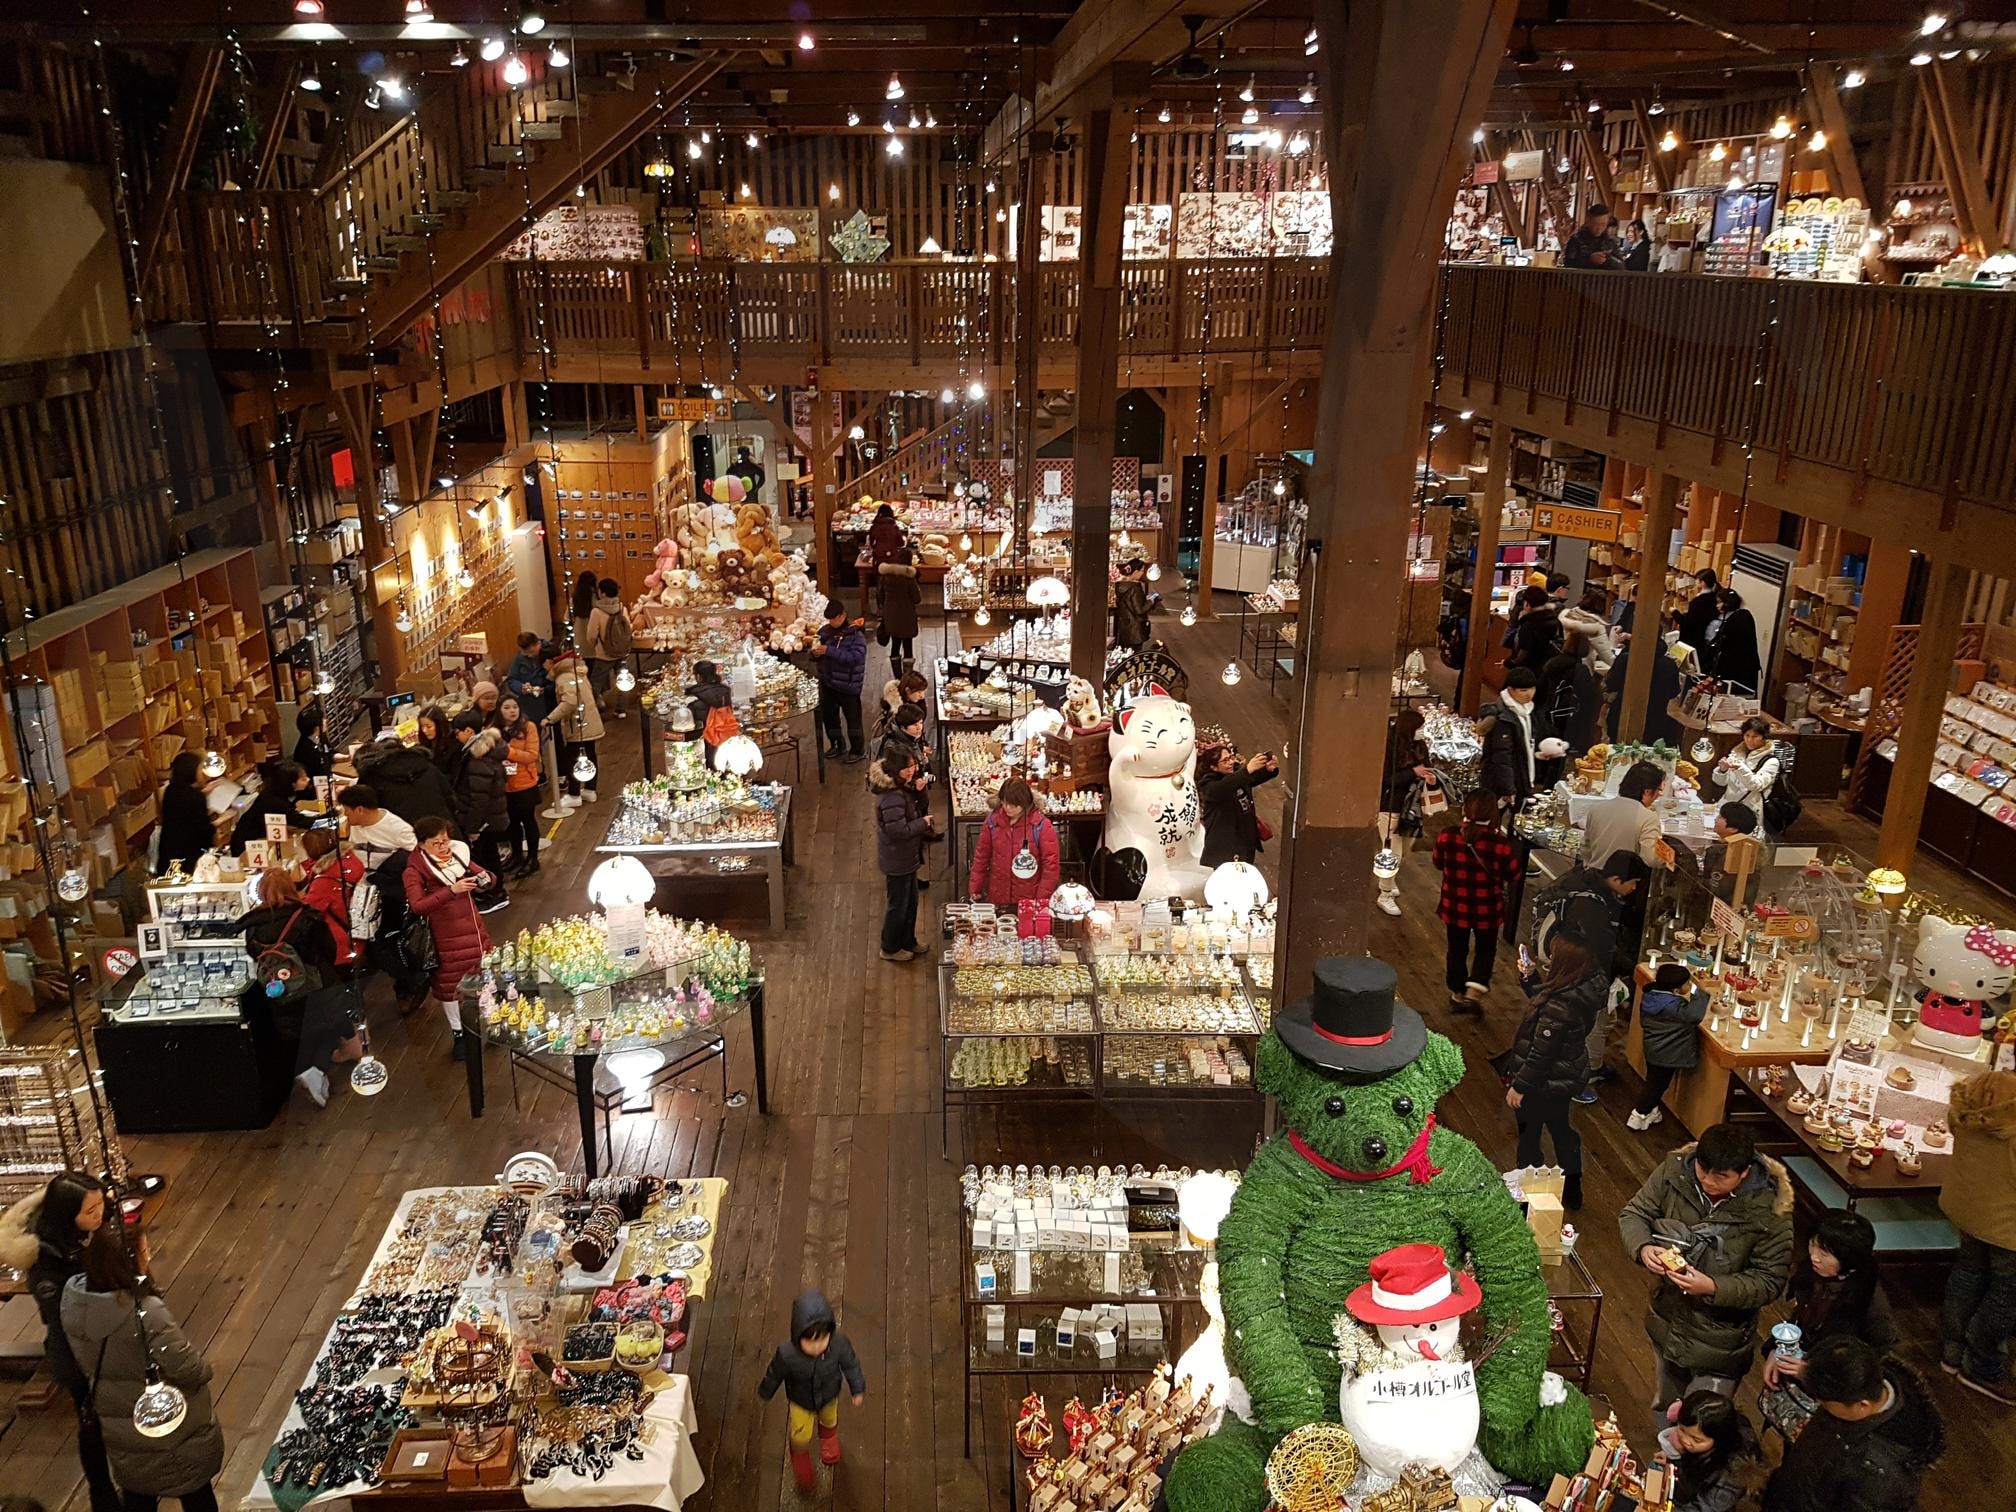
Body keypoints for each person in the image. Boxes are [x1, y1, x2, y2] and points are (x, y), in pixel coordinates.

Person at [1619, 1122, 1795, 1425]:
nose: (1707, 1181)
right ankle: (1666, 1463)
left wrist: (1713, 1286)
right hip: (1668, 1317)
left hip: (1721, 1337)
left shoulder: (1771, 1212)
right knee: (1666, 1406)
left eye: (1721, 1176)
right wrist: (1644, 1247)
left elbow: (1769, 1281)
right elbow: (1635, 1213)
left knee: (1703, 1423)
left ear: (1744, 1173)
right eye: (1702, 1170)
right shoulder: (1675, 1173)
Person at [60, 1228, 224, 1512]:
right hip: (171, 1428)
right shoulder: (146, 1313)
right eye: (145, 1251)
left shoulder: (75, 1303)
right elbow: (189, 1369)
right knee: (197, 1497)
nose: (148, 1257)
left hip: (121, 1427)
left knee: (137, 1497)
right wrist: (205, 1368)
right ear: (129, 1262)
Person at [0, 1172, 121, 1512]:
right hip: (76, 1350)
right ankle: (102, 1494)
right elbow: (65, 1315)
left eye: (101, 1205)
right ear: (67, 1215)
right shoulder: (45, 1258)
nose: (100, 1214)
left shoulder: (86, 1233)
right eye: (91, 1210)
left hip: (106, 1335)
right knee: (92, 1422)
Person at [1762, 1336, 1944, 1512]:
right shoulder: (1858, 1382)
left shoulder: (1881, 1477)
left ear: (1862, 1406)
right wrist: (1805, 1371)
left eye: (1825, 1403)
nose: (1820, 1404)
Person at [238, 867, 360, 1106]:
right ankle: (316, 1069)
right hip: (318, 982)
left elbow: (253, 954)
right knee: (330, 1024)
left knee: (300, 1030)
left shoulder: (252, 926)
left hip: (280, 988)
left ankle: (310, 1070)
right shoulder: (306, 917)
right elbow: (329, 948)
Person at [1503, 929, 1606, 1210]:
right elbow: (1546, 1000)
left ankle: (1528, 1195)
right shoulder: (1582, 987)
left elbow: (1541, 1054)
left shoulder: (1561, 1004)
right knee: (1562, 1131)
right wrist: (1531, 978)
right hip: (1565, 1076)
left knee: (1529, 1137)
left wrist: (1519, 1086)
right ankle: (1573, 1189)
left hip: (1543, 1083)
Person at [1937, 1068, 2016, 1403]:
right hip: (2008, 1223)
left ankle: (1952, 1350)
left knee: (1968, 1272)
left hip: (1969, 1207)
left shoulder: (1977, 1092)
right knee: (2007, 1293)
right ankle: (1981, 1364)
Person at [1762, 1211, 1897, 1398]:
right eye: (1812, 1245)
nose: (1814, 1257)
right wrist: (1776, 1350)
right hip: (1801, 1368)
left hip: (1832, 1394)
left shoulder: (1870, 1306)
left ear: (1851, 1260)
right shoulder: (1812, 1274)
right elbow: (1799, 1319)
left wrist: (1812, 1374)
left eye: (1824, 1253)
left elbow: (1868, 1365)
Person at [757, 1289, 867, 1493]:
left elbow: (851, 1365)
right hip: (801, 1402)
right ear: (798, 1335)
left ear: (830, 1334)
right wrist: (766, 1390)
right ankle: (800, 1455)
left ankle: (828, 1440)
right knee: (800, 1433)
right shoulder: (787, 1354)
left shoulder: (839, 1345)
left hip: (829, 1396)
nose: (817, 1346)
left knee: (829, 1419)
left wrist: (857, 1387)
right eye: (810, 1341)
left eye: (822, 1339)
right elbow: (774, 1374)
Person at [404, 815, 494, 1060]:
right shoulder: (414, 870)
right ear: (421, 844)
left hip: (473, 929)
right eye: (436, 843)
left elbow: (486, 876)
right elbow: (418, 905)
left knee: (484, 974)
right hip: (444, 936)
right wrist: (450, 891)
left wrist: (485, 879)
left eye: (445, 840)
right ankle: (459, 1034)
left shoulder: (457, 856)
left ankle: (491, 1021)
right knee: (450, 985)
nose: (443, 847)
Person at [335, 784, 427, 1013]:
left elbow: (420, 859)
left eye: (347, 811)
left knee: (383, 943)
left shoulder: (397, 828)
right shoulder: (358, 826)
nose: (345, 816)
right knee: (373, 941)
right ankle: (410, 980)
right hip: (367, 891)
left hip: (393, 892)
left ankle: (413, 981)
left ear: (360, 809)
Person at [1432, 790, 1519, 1014]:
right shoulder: (1500, 844)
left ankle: (1457, 992)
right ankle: (1474, 990)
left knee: (1456, 949)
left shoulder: (1447, 836)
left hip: (1454, 906)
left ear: (1465, 810)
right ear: (1493, 814)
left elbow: (1437, 863)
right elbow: (1514, 875)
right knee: (1486, 949)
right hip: (1487, 909)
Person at [872, 749, 938, 961]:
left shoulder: (900, 788)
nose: (912, 770)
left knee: (910, 902)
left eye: (913, 766)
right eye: (907, 767)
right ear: (895, 770)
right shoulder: (891, 797)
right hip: (897, 858)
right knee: (898, 905)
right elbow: (898, 831)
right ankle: (890, 947)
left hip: (905, 857)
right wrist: (923, 823)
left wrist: (917, 790)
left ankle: (908, 940)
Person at [1631, 962, 1709, 1131]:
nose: (1689, 986)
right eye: (1687, 984)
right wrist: (1700, 992)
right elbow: (1694, 1015)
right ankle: (1639, 1114)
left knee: (1654, 1081)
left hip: (1653, 1048)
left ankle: (1650, 1110)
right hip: (1668, 1053)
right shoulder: (1673, 1007)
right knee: (1657, 1085)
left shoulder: (1651, 996)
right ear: (1675, 990)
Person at [447, 709, 510, 911]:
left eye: (457, 731)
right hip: (490, 817)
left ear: (468, 730)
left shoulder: (478, 758)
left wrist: (473, 828)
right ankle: (495, 891)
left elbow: (479, 798)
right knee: (490, 855)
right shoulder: (483, 751)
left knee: (486, 858)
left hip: (484, 820)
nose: (456, 736)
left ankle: (495, 894)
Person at [1377, 708, 1436, 917]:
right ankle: (1385, 893)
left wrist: (1428, 776)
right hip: (1390, 806)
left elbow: (1428, 766)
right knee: (1393, 853)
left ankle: (1388, 881)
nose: (1421, 732)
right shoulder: (1389, 748)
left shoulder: (1419, 746)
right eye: (1418, 728)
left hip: (1412, 807)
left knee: (1405, 851)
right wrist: (1412, 773)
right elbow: (1385, 780)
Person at [968, 776, 1061, 908]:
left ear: (1024, 802)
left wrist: (1040, 900)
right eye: (1005, 803)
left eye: (1013, 804)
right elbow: (981, 856)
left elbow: (1050, 867)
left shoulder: (1040, 826)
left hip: (1029, 898)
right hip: (998, 895)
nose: (1007, 808)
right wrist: (975, 887)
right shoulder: (993, 822)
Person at [1658, 1390, 1756, 1512]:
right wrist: (1670, 1460)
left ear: (1719, 1440)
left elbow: (1703, 1509)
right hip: (1681, 1493)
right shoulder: (1690, 1439)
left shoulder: (1730, 1476)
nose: (1686, 1441)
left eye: (1696, 1440)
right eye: (1682, 1430)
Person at [352, 728, 459, 826]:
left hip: (406, 837)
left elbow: (366, 813)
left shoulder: (373, 778)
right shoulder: (425, 764)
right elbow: (450, 797)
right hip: (444, 831)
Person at [1198, 741, 1280, 866]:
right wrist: (1247, 770)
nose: (1231, 762)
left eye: (1231, 758)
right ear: (1214, 767)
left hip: (1245, 841)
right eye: (1225, 761)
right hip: (1226, 846)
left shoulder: (1237, 774)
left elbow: (1251, 778)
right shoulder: (1209, 785)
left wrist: (1268, 770)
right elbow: (1226, 785)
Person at [298, 827, 364, 971]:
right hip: (357, 932)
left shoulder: (325, 881)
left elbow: (307, 910)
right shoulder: (349, 860)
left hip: (338, 944)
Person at [544, 647, 604, 803]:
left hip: (577, 724)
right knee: (589, 755)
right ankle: (590, 790)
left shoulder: (563, 677)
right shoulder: (578, 672)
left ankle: (574, 794)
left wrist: (550, 718)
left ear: (550, 662)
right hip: (589, 721)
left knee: (572, 759)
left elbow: (570, 702)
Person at [1477, 667, 1542, 812]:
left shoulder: (1529, 711)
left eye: (1532, 688)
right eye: (1523, 690)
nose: (1529, 694)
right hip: (1500, 783)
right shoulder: (1502, 718)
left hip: (1521, 777)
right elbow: (1501, 757)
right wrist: (1508, 789)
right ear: (1510, 690)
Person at [812, 598, 868, 764]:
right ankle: (837, 744)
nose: (831, 622)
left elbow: (855, 657)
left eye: (834, 619)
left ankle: (858, 750)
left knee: (853, 719)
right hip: (828, 682)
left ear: (842, 615)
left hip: (848, 685)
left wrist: (829, 651)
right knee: (829, 717)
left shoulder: (856, 635)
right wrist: (814, 653)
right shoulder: (825, 631)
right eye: (829, 619)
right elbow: (815, 652)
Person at [1582, 761, 1668, 869]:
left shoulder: (1597, 809)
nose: (1660, 794)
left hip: (1593, 876)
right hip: (1624, 882)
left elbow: (1586, 848)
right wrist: (1668, 858)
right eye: (1658, 789)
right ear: (1647, 791)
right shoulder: (1648, 818)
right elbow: (1651, 859)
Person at [493, 695, 543, 878]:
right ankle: (517, 855)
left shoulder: (528, 727)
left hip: (524, 783)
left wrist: (507, 752)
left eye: (515, 707)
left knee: (528, 820)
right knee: (511, 823)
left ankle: (532, 858)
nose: (512, 711)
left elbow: (531, 755)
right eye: (507, 707)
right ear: (499, 710)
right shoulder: (493, 729)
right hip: (503, 785)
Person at [1606, 634, 1683, 747]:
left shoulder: (1626, 659)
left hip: (1623, 716)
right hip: (1655, 720)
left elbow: (1611, 684)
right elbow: (1674, 692)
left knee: (1619, 754)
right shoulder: (1670, 664)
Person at [228, 758, 317, 853]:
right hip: (249, 844)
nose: (308, 780)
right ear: (292, 783)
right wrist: (329, 818)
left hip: (264, 835)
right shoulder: (274, 802)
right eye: (303, 779)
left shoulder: (284, 789)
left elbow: (309, 795)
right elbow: (303, 822)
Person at [1713, 717, 1780, 838]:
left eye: (1755, 737)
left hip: (1749, 812)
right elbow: (1720, 782)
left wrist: (1739, 767)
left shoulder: (1771, 762)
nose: (1750, 740)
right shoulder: (1736, 754)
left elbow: (1756, 785)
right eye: (1747, 735)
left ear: (1764, 737)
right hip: (1727, 808)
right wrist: (1722, 770)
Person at [155, 751, 216, 876]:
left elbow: (184, 810)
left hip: (170, 853)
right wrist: (221, 820)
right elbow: (204, 830)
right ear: (191, 771)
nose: (203, 773)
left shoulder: (170, 791)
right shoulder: (196, 797)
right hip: (190, 856)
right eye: (200, 769)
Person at [584, 577, 633, 719]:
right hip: (621, 652)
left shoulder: (597, 612)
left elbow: (591, 635)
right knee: (623, 680)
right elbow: (628, 628)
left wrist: (594, 647)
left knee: (595, 683)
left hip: (603, 654)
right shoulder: (621, 607)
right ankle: (621, 709)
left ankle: (593, 709)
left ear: (603, 593)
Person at [1539, 645, 1602, 755]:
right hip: (1571, 715)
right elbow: (1588, 697)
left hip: (1549, 711)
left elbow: (1540, 688)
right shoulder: (1580, 670)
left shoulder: (1551, 664)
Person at [1705, 589, 1761, 694]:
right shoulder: (1744, 615)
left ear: (1727, 603)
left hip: (1736, 671)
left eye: (1719, 602)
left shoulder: (1734, 620)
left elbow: (1723, 644)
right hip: (1746, 669)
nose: (1717, 606)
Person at [684, 660, 738, 768]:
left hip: (705, 739)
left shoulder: (695, 694)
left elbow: (691, 719)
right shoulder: (725, 690)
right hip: (724, 735)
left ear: (698, 676)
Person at [877, 545, 922, 672]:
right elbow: (917, 598)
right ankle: (907, 676)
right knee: (908, 645)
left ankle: (897, 675)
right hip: (907, 616)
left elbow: (880, 596)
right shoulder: (909, 578)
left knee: (895, 643)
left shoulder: (886, 576)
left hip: (890, 615)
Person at [1560, 589, 1617, 674]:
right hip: (1582, 671)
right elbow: (1608, 658)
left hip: (1562, 665)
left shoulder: (1566, 615)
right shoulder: (1595, 627)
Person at [1507, 585, 1561, 671]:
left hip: (1529, 670)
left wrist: (1509, 663)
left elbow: (1523, 654)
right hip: (1547, 668)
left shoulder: (1529, 625)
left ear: (1527, 603)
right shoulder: (1554, 619)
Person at [503, 631, 553, 724]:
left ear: (538, 644)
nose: (529, 655)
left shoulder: (551, 652)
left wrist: (545, 689)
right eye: (525, 653)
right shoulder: (519, 658)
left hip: (549, 700)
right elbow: (511, 679)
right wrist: (521, 688)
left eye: (532, 652)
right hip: (530, 704)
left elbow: (558, 678)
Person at [877, 699, 931, 778]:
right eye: (914, 725)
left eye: (921, 723)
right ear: (903, 727)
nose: (919, 728)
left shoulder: (908, 737)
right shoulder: (895, 749)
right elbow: (896, 780)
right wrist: (914, 784)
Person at [1677, 569, 1722, 659]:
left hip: (1692, 641)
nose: (1695, 581)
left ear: (1703, 583)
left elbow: (1688, 624)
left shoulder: (1698, 602)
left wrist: (1675, 613)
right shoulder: (1714, 599)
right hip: (1703, 642)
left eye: (1697, 579)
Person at [1563, 203, 1622, 269]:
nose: (1599, 228)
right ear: (1588, 221)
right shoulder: (1576, 240)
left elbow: (1621, 266)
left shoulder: (1611, 242)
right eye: (1596, 224)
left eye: (1603, 224)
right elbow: (1568, 264)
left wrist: (1609, 258)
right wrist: (1589, 259)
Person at [1112, 558, 1153, 649]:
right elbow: (1139, 609)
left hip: (1124, 627)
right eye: (1141, 571)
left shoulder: (1120, 585)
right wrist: (1151, 601)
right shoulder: (1135, 588)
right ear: (1135, 571)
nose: (1142, 573)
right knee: (1134, 657)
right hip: (1135, 629)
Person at [292, 700, 334, 779]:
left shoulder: (321, 737)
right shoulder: (305, 751)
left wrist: (343, 757)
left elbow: (329, 752)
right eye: (323, 720)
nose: (326, 721)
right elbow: (319, 773)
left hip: (329, 774)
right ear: (316, 728)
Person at [866, 502, 905, 570]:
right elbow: (901, 543)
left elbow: (871, 543)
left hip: (879, 558)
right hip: (893, 559)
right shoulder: (894, 527)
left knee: (879, 576)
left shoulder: (874, 527)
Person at [569, 568, 599, 649]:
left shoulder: (575, 598)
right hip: (594, 636)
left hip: (579, 633)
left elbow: (567, 617)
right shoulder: (596, 598)